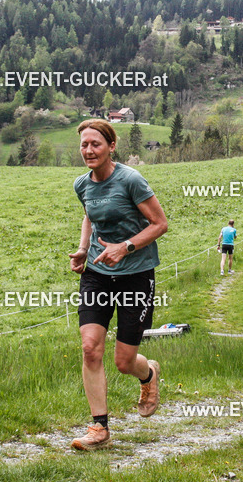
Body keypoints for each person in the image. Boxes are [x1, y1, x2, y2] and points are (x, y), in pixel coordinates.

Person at [68, 119, 169, 451]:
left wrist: (124, 248)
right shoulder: (82, 184)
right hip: (97, 273)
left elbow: (160, 224)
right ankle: (99, 427)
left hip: (135, 274)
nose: (88, 150)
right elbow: (89, 215)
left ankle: (148, 373)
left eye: (95, 144)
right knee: (90, 348)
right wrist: (83, 249)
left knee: (124, 362)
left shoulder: (131, 180)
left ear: (111, 146)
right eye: (84, 144)